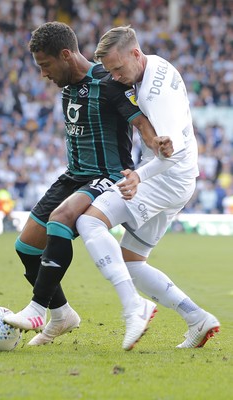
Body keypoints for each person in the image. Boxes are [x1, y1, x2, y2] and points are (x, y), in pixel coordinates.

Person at [3, 22, 172, 346]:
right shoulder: (68, 85)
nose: (43, 74)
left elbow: (139, 122)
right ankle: (62, 314)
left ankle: (37, 309)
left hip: (107, 175)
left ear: (66, 55)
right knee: (26, 248)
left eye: (46, 65)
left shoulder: (108, 82)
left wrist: (156, 142)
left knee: (61, 219)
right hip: (73, 175)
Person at [76, 26, 220, 350]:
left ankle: (134, 307)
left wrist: (140, 175)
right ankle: (197, 318)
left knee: (89, 220)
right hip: (179, 181)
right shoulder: (151, 67)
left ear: (135, 55)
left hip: (165, 178)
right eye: (109, 70)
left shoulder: (156, 95)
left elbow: (173, 153)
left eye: (118, 69)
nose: (114, 77)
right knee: (132, 261)